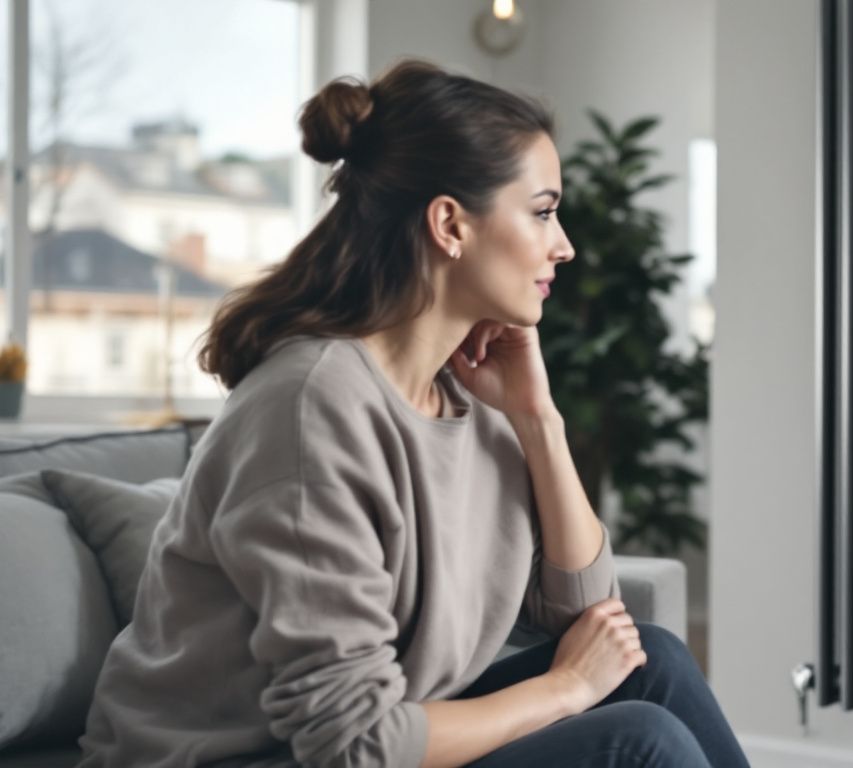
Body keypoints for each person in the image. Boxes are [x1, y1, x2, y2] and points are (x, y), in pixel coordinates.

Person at [74, 58, 751, 768]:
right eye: (544, 211)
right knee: (638, 742)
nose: (565, 245)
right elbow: (353, 743)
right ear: (450, 224)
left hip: (370, 741)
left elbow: (588, 618)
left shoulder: (470, 387)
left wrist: (538, 420)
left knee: (656, 664)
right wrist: (563, 690)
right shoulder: (311, 410)